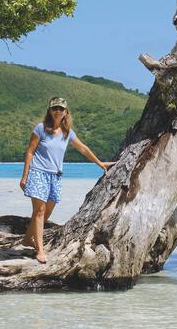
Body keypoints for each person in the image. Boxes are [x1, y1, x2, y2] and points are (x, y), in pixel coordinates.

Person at [20, 96, 114, 263]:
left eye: (61, 108)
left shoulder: (67, 133)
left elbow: (83, 149)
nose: (58, 111)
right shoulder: (41, 128)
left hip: (55, 176)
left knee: (47, 211)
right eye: (54, 108)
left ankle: (28, 239)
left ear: (66, 112)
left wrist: (100, 163)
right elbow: (30, 151)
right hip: (38, 172)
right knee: (39, 211)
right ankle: (39, 250)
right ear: (50, 111)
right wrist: (25, 176)